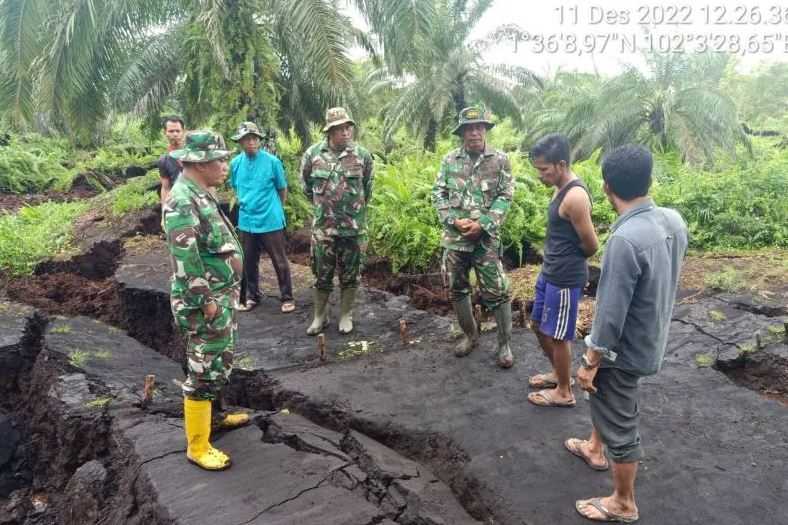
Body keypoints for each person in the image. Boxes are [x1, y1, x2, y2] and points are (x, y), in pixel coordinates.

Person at [566, 145, 688, 523]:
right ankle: (593, 446)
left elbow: (610, 316)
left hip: (625, 350)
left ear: (605, 188)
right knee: (606, 401)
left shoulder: (624, 240)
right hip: (652, 336)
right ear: (648, 180)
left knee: (620, 418)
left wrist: (590, 360)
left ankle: (623, 502)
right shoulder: (672, 221)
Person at [163, 130, 249, 471]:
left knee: (219, 360)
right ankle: (197, 445)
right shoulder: (182, 199)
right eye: (220, 159)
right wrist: (206, 301)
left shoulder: (201, 193)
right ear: (199, 163)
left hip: (219, 296)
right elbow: (185, 257)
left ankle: (215, 417)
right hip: (205, 301)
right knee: (203, 367)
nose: (225, 165)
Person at [432, 107, 515, 368]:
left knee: (497, 291)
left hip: (485, 240)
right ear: (462, 133)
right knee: (457, 288)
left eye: (479, 127)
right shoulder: (449, 161)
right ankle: (470, 336)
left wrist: (484, 224)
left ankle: (505, 345)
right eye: (469, 128)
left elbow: (505, 196)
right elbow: (438, 194)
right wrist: (454, 220)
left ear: (485, 130)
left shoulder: (500, 160)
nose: (475, 132)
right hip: (455, 240)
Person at [527, 134, 598, 408]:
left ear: (561, 164)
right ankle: (559, 373)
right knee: (539, 326)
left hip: (565, 278)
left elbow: (591, 245)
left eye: (543, 170)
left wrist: (567, 261)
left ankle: (565, 392)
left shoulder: (575, 197)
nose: (540, 176)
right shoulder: (560, 187)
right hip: (550, 272)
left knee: (558, 335)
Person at [301, 107, 374, 335]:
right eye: (339, 129)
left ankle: (345, 315)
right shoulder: (313, 155)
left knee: (350, 275)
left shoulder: (362, 155)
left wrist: (352, 213)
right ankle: (319, 317)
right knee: (321, 275)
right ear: (329, 131)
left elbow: (367, 189)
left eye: (347, 127)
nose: (345, 132)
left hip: (353, 230)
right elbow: (306, 187)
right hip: (324, 230)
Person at [229, 121, 295, 313]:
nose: (250, 142)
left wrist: (278, 209)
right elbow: (236, 188)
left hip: (270, 218)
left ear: (259, 140)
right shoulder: (235, 164)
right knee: (248, 261)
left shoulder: (272, 162)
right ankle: (253, 295)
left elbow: (282, 188)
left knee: (279, 260)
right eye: (245, 139)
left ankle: (287, 297)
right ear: (240, 142)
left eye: (253, 138)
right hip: (247, 220)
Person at [158, 116, 185, 203]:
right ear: (165, 132)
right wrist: (164, 212)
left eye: (178, 131)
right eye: (171, 131)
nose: (175, 134)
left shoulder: (195, 154)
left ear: (183, 132)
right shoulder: (164, 160)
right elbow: (166, 188)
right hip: (180, 204)